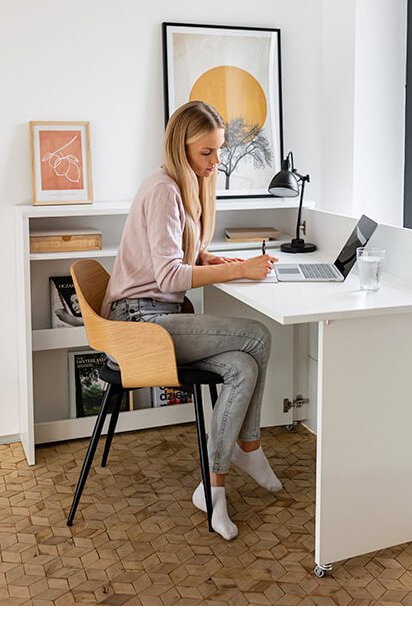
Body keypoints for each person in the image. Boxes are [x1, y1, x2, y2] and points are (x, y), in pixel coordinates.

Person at [100, 100, 282, 540]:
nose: (216, 161)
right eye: (207, 152)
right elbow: (168, 276)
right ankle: (249, 447)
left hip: (158, 317)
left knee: (242, 366)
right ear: (179, 148)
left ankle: (213, 488)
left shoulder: (182, 187)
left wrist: (207, 257)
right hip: (138, 325)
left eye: (219, 150)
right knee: (257, 336)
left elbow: (174, 252)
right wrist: (239, 270)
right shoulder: (163, 189)